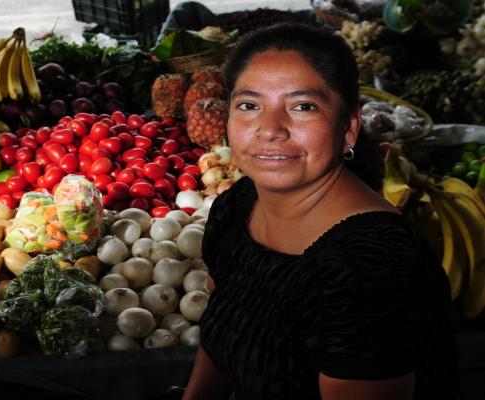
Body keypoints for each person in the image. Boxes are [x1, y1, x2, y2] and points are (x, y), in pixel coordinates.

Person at [182, 23, 460, 400]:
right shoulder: (238, 206)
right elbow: (221, 339)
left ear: (348, 127)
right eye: (249, 105)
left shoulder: (369, 268)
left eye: (302, 106)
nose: (270, 129)